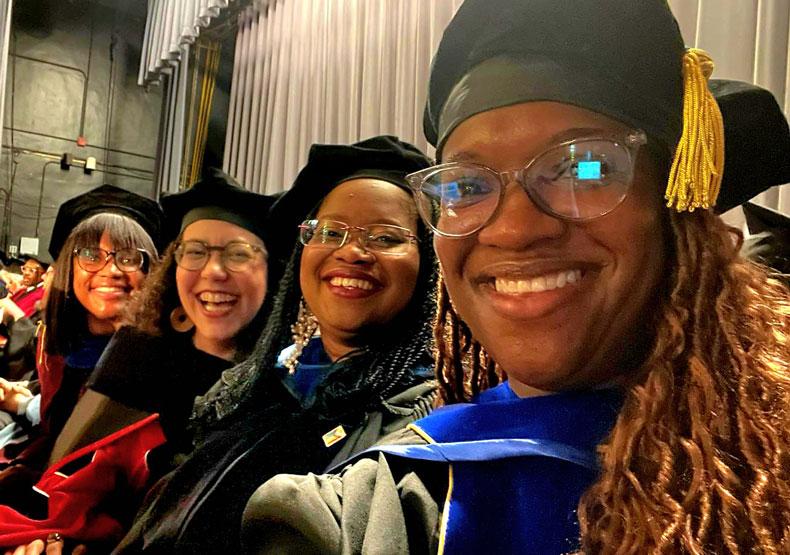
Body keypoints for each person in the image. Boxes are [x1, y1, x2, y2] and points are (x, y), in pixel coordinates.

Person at [242, 2, 790, 554]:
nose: (514, 229)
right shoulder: (375, 512)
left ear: (680, 209)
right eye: (464, 186)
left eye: (583, 167)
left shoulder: (771, 443)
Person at [111, 136, 438, 554]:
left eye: (386, 238)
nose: (352, 251)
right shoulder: (256, 387)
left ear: (428, 267)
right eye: (330, 231)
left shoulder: (419, 421)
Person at [0, 170, 278, 554]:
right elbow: (77, 484)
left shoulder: (283, 386)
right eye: (196, 251)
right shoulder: (135, 361)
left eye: (239, 253)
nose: (214, 271)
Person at [0, 184, 162, 510]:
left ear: (151, 272)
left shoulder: (155, 370)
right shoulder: (57, 346)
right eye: (90, 254)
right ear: (67, 269)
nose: (110, 270)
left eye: (129, 257)